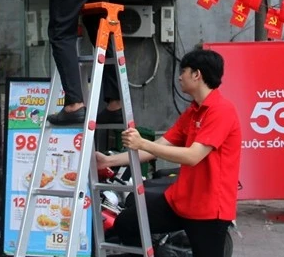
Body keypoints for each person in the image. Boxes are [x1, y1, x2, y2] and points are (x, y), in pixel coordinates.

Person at [97, 49, 241, 256]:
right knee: (126, 224)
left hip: (209, 209)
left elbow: (193, 156)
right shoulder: (193, 112)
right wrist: (107, 161)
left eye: (184, 71)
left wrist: (142, 143)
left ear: (197, 75)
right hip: (179, 200)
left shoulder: (221, 111)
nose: (180, 77)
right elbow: (159, 146)